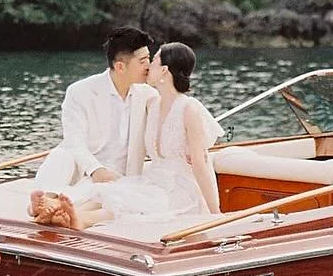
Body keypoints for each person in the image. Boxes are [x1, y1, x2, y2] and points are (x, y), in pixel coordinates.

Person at [100, 42, 222, 223]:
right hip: (154, 182)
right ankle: (62, 211)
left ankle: (76, 219)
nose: (148, 65)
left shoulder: (189, 109)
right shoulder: (151, 104)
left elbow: (200, 165)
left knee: (131, 205)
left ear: (164, 70)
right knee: (106, 192)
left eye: (154, 60)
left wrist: (216, 212)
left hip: (181, 191)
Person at [32, 27, 152, 197]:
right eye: (143, 61)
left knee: (98, 192)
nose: (149, 66)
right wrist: (96, 170)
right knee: (62, 154)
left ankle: (49, 205)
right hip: (85, 169)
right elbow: (74, 141)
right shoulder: (80, 91)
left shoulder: (149, 95)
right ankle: (47, 198)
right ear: (120, 67)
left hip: (121, 177)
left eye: (149, 59)